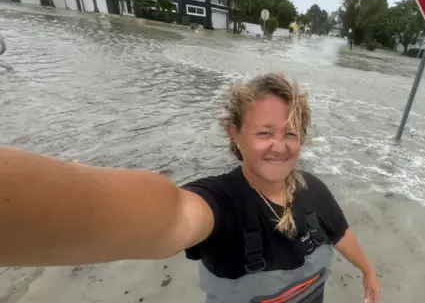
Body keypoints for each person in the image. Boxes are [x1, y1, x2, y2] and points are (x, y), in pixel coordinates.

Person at [0, 73, 381, 303]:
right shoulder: (222, 203)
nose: (279, 146)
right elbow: (171, 217)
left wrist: (368, 271)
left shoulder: (313, 189)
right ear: (236, 135)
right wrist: (80, 194)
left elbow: (340, 231)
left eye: (290, 134)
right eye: (264, 133)